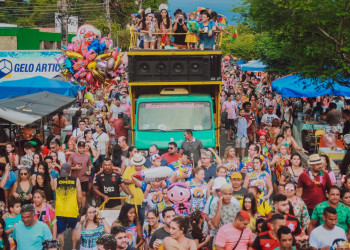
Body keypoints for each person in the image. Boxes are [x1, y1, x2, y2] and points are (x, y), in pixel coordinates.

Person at [54, 163, 82, 250]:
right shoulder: (76, 180)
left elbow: (55, 191)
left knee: (60, 233)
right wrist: (80, 205)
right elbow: (80, 196)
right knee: (73, 229)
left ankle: (61, 249)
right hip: (72, 209)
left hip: (59, 210)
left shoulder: (56, 180)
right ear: (70, 171)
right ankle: (73, 248)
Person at [123, 153, 146, 224]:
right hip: (131, 200)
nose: (138, 167)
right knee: (131, 221)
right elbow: (124, 180)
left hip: (143, 200)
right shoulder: (128, 169)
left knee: (142, 220)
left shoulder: (146, 170)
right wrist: (134, 181)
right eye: (137, 165)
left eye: (140, 165)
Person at [68, 141, 92, 207]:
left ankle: (83, 208)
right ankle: (77, 207)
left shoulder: (87, 155)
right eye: (80, 148)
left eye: (83, 148)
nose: (81, 149)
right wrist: (75, 167)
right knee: (76, 194)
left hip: (84, 178)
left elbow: (89, 164)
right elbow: (68, 166)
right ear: (77, 148)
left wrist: (89, 170)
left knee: (84, 193)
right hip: (75, 178)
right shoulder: (72, 155)